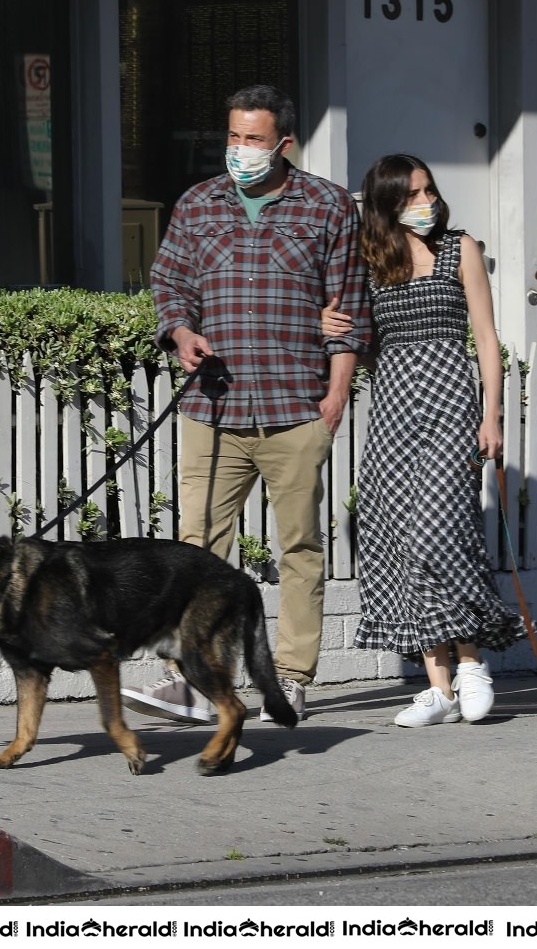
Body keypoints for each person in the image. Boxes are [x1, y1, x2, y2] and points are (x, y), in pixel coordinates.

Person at [128, 85, 369, 725]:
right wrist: (180, 333)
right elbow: (169, 282)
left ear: (283, 143)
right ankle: (192, 680)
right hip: (213, 408)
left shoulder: (327, 206)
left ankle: (290, 678)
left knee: (298, 548)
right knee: (197, 547)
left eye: (253, 139)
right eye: (233, 136)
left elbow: (349, 307)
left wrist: (336, 394)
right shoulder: (199, 203)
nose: (240, 150)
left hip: (296, 406)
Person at [320, 153, 524, 726]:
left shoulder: (463, 249)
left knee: (440, 531)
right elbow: (362, 348)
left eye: (428, 190)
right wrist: (328, 329)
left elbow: (485, 337)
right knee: (401, 538)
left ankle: (473, 662)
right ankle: (438, 687)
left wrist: (493, 416)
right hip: (392, 407)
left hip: (449, 400)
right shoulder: (370, 260)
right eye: (410, 195)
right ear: (385, 203)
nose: (424, 202)